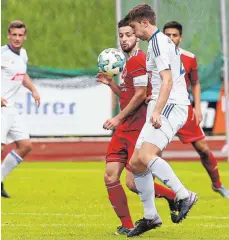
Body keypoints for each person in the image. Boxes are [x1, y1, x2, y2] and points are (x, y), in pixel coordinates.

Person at [96, 19, 177, 235]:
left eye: (129, 35)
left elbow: (141, 95)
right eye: (121, 35)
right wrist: (112, 84)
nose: (124, 39)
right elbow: (129, 95)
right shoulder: (126, 63)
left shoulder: (139, 60)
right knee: (110, 176)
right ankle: (128, 224)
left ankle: (173, 196)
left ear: (137, 36)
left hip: (138, 129)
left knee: (133, 183)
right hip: (123, 130)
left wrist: (117, 119)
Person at [124, 4, 198, 237]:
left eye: (134, 28)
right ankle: (151, 217)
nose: (134, 33)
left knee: (146, 156)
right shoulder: (159, 42)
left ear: (145, 23)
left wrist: (157, 109)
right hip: (162, 104)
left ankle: (184, 195)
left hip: (170, 106)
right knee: (136, 163)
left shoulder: (157, 42)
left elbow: (166, 81)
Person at [163, 21, 229, 198]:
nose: (170, 38)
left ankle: (217, 184)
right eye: (167, 35)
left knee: (203, 149)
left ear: (180, 38)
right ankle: (165, 193)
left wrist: (197, 107)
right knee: (151, 154)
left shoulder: (189, 58)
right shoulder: (154, 57)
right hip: (161, 111)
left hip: (183, 110)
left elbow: (195, 83)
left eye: (174, 35)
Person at [1, 20, 40, 198]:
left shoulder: (22, 54)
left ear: (25, 37)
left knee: (25, 145)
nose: (17, 38)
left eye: (20, 35)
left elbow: (22, 74)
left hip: (11, 108)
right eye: (14, 35)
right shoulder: (2, 54)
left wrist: (33, 89)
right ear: (8, 35)